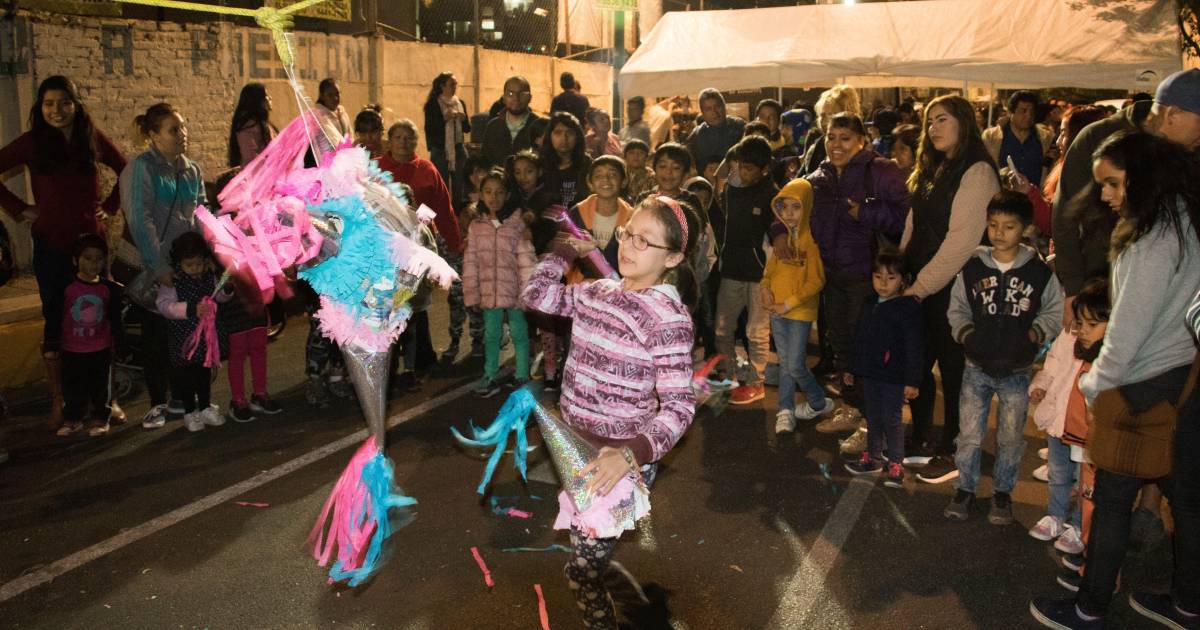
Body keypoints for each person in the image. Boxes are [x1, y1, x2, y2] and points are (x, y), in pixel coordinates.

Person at [1031, 131, 1200, 630]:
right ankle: (1188, 604)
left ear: (1142, 177)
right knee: (1186, 500)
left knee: (1110, 503)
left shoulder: (1152, 240)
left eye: (1112, 182)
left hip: (1138, 387)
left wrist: (1093, 385)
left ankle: (1089, 608)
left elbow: (1126, 332)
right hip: (1179, 377)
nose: (1104, 194)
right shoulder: (1183, 219)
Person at [521, 195, 697, 630]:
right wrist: (563, 252)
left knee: (580, 569)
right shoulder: (596, 292)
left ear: (673, 257)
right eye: (627, 233)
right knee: (587, 552)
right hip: (576, 451)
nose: (629, 246)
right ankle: (621, 592)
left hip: (619, 463)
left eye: (645, 241)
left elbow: (679, 406)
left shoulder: (667, 319)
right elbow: (536, 295)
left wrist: (630, 454)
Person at [0, 75, 127, 430]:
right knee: (57, 321)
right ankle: (61, 400)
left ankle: (106, 399)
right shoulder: (32, 142)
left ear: (76, 104)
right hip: (52, 246)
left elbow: (125, 168)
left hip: (91, 246)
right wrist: (19, 208)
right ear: (40, 107)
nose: (57, 110)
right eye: (49, 104)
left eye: (64, 103)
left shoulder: (90, 137)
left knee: (101, 319)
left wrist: (110, 205)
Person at [944, 191, 1062, 522]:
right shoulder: (973, 267)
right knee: (969, 433)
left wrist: (1034, 335)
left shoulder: (1038, 272)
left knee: (1010, 437)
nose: (999, 232)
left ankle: (1002, 493)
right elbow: (958, 307)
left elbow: (1054, 310)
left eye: (1009, 226)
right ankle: (965, 488)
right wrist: (967, 336)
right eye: (993, 224)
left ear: (1025, 228)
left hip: (1017, 368)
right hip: (976, 366)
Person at [900, 95, 1000, 482]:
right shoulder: (933, 166)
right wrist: (901, 270)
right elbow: (913, 222)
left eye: (942, 119)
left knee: (955, 370)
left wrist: (920, 287)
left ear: (963, 122)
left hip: (955, 288)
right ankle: (921, 437)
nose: (933, 128)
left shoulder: (977, 171)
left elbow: (962, 242)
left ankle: (956, 449)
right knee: (918, 361)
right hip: (922, 283)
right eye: (929, 122)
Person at [1053, 69, 1200, 329]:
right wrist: (1074, 289)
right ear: (1173, 114)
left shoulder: (1185, 152)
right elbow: (1066, 217)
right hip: (1097, 293)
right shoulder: (1096, 138)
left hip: (1164, 303)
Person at [782, 112, 909, 408]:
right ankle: (853, 408)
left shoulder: (881, 170)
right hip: (831, 276)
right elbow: (788, 204)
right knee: (841, 345)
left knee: (867, 344)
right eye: (831, 137)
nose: (836, 145)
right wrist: (779, 233)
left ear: (861, 141)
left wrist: (865, 212)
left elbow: (906, 216)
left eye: (845, 138)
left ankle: (871, 415)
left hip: (868, 276)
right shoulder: (820, 176)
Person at [121, 102, 206, 429]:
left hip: (186, 266)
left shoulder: (191, 169)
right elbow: (139, 219)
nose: (182, 134)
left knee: (183, 332)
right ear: (154, 135)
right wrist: (159, 266)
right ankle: (157, 402)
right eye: (174, 129)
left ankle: (181, 397)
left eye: (183, 127)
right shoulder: (141, 169)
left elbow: (201, 213)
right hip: (153, 266)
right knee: (156, 335)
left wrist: (205, 255)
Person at [1027, 279, 1108, 557]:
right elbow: (1052, 363)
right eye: (1080, 321)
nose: (1082, 329)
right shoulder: (1069, 336)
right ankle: (1056, 515)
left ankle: (1078, 526)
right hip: (1060, 421)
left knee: (1086, 483)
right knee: (1059, 474)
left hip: (1087, 430)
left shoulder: (1110, 356)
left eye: (1092, 324)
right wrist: (1040, 385)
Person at [843, 252, 922, 487]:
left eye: (891, 278)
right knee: (873, 415)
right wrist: (851, 367)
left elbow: (915, 346)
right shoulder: (870, 303)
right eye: (878, 277)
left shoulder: (908, 307)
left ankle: (896, 462)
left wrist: (912, 380)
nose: (883, 283)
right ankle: (873, 457)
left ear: (903, 280)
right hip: (870, 372)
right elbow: (859, 336)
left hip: (893, 375)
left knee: (892, 419)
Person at [714, 136, 778, 405]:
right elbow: (719, 176)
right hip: (731, 267)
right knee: (722, 327)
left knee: (756, 331)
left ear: (764, 169)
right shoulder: (730, 188)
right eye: (740, 165)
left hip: (759, 273)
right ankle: (728, 373)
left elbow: (777, 234)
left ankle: (755, 381)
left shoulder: (771, 195)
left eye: (749, 168)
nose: (743, 171)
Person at [760, 178, 827, 434]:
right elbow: (769, 272)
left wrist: (789, 304)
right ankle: (785, 411)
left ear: (807, 207)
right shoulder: (781, 239)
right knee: (786, 364)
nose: (788, 213)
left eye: (795, 207)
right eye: (784, 207)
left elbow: (817, 280)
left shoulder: (812, 241)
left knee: (795, 365)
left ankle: (817, 401)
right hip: (777, 311)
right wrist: (765, 289)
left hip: (799, 313)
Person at [463, 169, 535, 397]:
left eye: (499, 192)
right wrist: (472, 293)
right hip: (489, 293)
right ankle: (490, 375)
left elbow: (526, 261)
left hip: (515, 292)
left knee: (519, 333)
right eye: (488, 191)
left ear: (508, 195)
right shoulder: (476, 226)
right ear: (481, 194)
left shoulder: (517, 224)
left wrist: (528, 293)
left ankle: (522, 374)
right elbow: (471, 262)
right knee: (491, 335)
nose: (493, 197)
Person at [44, 234, 125, 437]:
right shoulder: (66, 287)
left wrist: (120, 345)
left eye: (99, 259)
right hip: (72, 347)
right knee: (73, 386)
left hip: (100, 347)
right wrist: (52, 344)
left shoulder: (108, 289)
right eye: (87, 258)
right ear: (75, 260)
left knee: (101, 387)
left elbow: (114, 320)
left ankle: (101, 418)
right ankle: (73, 419)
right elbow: (54, 317)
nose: (93, 264)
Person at [155, 232, 228, 432]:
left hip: (205, 336)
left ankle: (205, 407)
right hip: (183, 338)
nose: (195, 269)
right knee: (186, 376)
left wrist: (226, 290)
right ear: (179, 263)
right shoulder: (173, 281)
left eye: (199, 264)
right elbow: (163, 305)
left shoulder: (209, 275)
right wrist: (189, 309)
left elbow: (220, 297)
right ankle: (189, 411)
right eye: (189, 265)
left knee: (204, 372)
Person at [378, 120, 462, 258]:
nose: (403, 141)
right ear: (389, 141)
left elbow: (443, 210)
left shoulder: (427, 169)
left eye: (409, 138)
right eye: (398, 137)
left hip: (421, 240)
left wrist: (453, 244)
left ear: (416, 142)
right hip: (383, 241)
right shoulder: (375, 167)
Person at [444, 154, 490, 362]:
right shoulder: (461, 202)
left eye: (483, 171)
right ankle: (454, 340)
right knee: (456, 302)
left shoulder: (495, 201)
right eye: (475, 172)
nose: (479, 176)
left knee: (476, 305)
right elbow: (453, 232)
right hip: (461, 263)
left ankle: (478, 340)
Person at [566, 156, 633, 282]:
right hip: (580, 285)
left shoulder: (632, 217)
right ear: (590, 183)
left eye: (612, 175)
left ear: (624, 181)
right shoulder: (577, 213)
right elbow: (566, 254)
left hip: (618, 287)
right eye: (598, 176)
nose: (605, 179)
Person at [982, 91, 1056, 187]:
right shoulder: (991, 137)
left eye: (1032, 112)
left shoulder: (1045, 138)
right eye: (1023, 111)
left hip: (1035, 194)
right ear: (1010, 112)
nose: (1028, 116)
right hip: (1002, 194)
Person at [424, 72, 471, 201]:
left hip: (458, 147)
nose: (455, 87)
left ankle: (458, 209)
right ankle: (443, 210)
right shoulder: (433, 104)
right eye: (451, 84)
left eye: (455, 84)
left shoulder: (459, 103)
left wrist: (463, 119)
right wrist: (444, 119)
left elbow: (467, 129)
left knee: (460, 184)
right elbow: (430, 129)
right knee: (441, 185)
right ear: (442, 86)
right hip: (440, 149)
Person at [482, 76, 547, 168]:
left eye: (522, 94)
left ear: (530, 98)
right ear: (504, 98)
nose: (516, 98)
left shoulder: (540, 126)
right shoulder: (493, 126)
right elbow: (485, 161)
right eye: (510, 93)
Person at [685, 88, 746, 178]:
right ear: (702, 112)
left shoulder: (739, 127)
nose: (714, 112)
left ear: (724, 106)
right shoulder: (696, 135)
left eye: (717, 106)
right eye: (708, 109)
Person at [802, 85, 860, 177]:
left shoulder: (859, 147)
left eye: (831, 115)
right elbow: (803, 177)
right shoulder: (819, 143)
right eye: (822, 115)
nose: (824, 120)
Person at [540, 112, 592, 208]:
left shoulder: (587, 164)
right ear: (549, 136)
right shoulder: (540, 164)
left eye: (570, 133)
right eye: (558, 133)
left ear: (577, 136)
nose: (564, 138)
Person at [228, 83, 276, 168]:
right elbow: (250, 158)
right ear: (257, 100)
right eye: (266, 96)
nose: (270, 98)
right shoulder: (248, 126)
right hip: (259, 174)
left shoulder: (264, 123)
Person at [314, 77, 352, 143]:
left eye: (337, 94)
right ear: (322, 96)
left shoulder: (342, 113)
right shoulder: (318, 117)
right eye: (330, 95)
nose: (335, 98)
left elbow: (350, 136)